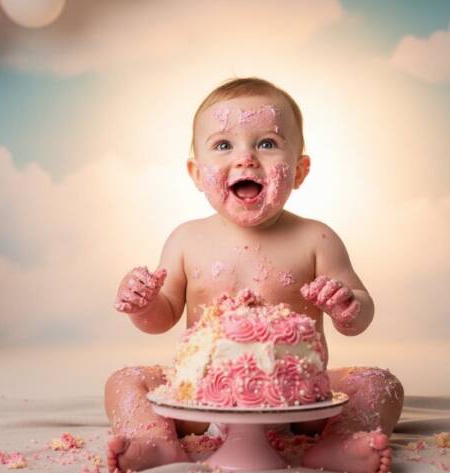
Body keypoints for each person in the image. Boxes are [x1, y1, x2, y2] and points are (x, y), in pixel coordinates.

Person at [106, 77, 403, 473]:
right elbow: (162, 318)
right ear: (196, 173)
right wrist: (143, 306)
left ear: (299, 171)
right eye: (223, 145)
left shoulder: (316, 238)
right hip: (199, 401)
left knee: (379, 383)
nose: (245, 158)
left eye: (266, 143)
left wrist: (348, 306)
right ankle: (155, 440)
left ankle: (339, 443)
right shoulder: (186, 239)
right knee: (125, 380)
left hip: (298, 403)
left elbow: (359, 317)